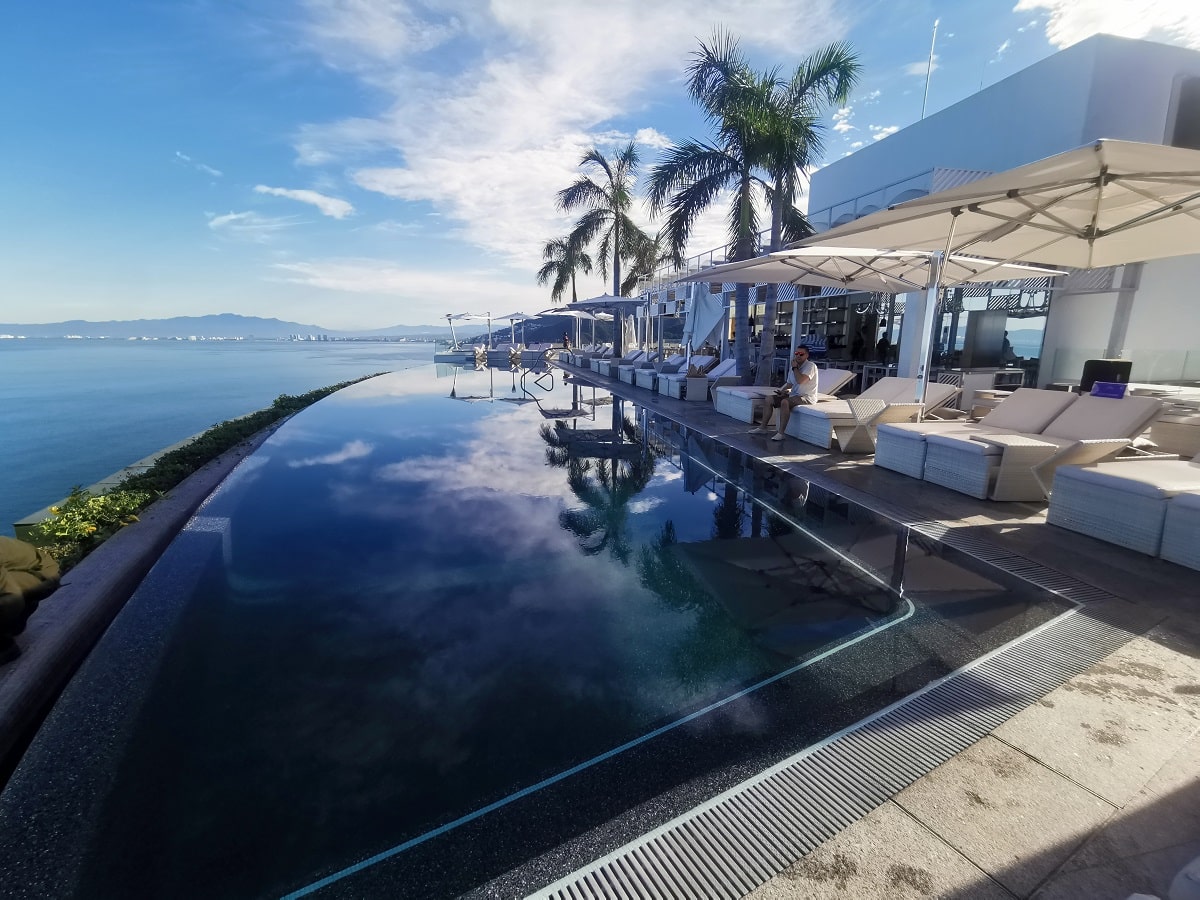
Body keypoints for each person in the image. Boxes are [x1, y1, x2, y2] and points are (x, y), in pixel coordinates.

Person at [750, 346, 818, 441]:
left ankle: (781, 433)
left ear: (807, 355)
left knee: (785, 402)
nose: (798, 356)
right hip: (794, 395)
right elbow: (790, 383)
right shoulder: (794, 366)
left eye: (801, 354)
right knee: (769, 399)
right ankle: (762, 428)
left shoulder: (810, 366)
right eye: (796, 354)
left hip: (806, 397)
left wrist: (795, 368)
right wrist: (782, 391)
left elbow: (801, 380)